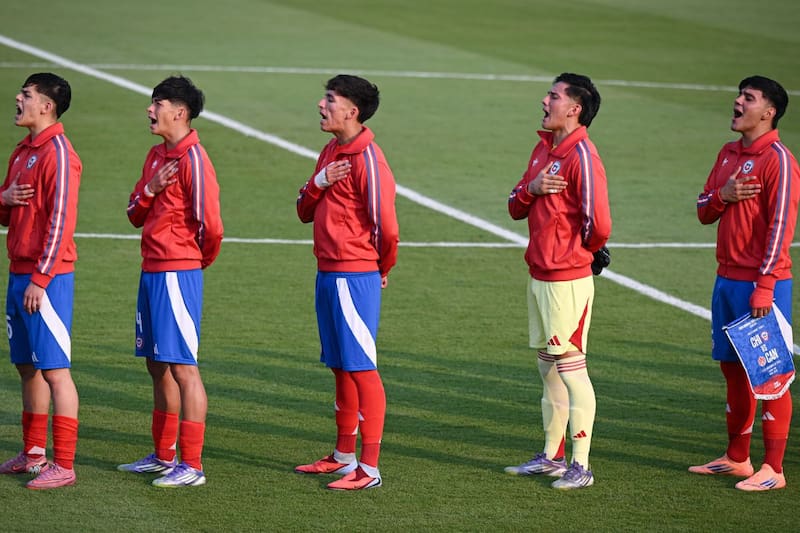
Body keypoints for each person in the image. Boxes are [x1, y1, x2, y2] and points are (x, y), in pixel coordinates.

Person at [691, 75, 799, 491]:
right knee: (733, 370)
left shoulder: (779, 160)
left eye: (748, 98)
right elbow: (703, 209)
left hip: (761, 285)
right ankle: (737, 458)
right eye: (739, 95)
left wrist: (766, 284)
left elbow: (781, 227)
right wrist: (725, 195)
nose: (737, 102)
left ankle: (774, 469)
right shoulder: (728, 153)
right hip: (726, 280)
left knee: (769, 376)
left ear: (768, 112)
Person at [505, 73, 611, 490]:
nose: (544, 101)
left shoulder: (582, 155)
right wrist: (531, 189)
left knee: (571, 369)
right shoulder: (544, 148)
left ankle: (581, 466)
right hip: (539, 274)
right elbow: (515, 205)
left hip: (566, 279)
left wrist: (578, 252)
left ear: (574, 108)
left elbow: (599, 223)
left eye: (553, 96)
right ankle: (552, 457)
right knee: (548, 368)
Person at [294, 74, 399, 491]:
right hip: (328, 271)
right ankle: (343, 456)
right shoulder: (331, 151)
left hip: (355, 275)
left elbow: (387, 227)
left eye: (330, 100)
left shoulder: (369, 160)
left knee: (362, 368)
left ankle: (369, 469)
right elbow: (303, 210)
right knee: (340, 366)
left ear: (352, 111)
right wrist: (319, 181)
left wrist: (381, 268)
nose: (321, 106)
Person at [118, 75, 223, 488]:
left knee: (183, 367)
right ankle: (164, 456)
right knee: (156, 364)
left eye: (157, 103)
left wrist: (194, 262)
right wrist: (150, 188)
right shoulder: (155, 156)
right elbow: (133, 212)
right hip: (152, 269)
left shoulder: (194, 159)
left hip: (177, 272)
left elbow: (211, 226)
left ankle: (192, 466)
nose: (149, 110)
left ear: (179, 112)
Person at [0, 73, 81, 490]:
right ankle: (33, 454)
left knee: (55, 371)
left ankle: (64, 464)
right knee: (26, 367)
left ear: (47, 106)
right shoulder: (22, 151)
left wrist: (41, 278)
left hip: (45, 280)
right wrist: (3, 198)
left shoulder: (59, 154)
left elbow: (61, 222)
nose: (18, 98)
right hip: (18, 274)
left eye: (27, 94)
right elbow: (6, 210)